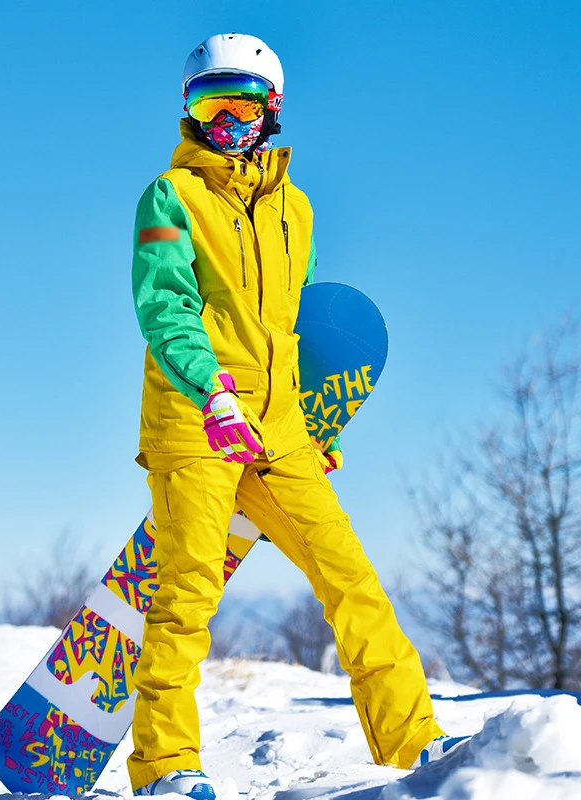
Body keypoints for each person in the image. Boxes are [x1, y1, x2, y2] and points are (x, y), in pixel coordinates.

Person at [128, 33, 466, 799]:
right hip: (195, 422)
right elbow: (165, 306)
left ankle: (413, 738)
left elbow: (301, 326)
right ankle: (165, 767)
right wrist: (210, 392)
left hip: (280, 431)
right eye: (206, 104)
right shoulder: (169, 197)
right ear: (189, 113)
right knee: (184, 597)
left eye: (239, 103)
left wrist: (322, 424)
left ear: (270, 109)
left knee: (352, 580)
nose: (224, 121)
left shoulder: (297, 208)